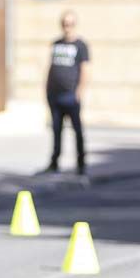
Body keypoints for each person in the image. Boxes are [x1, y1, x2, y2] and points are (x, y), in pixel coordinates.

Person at [41, 11, 90, 175]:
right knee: (56, 130)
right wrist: (46, 90)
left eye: (70, 24)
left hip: (71, 95)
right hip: (55, 95)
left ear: (74, 25)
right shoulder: (56, 44)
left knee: (77, 130)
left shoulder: (80, 46)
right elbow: (50, 67)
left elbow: (85, 69)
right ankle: (54, 162)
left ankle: (81, 163)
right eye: (64, 24)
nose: (67, 27)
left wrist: (79, 91)